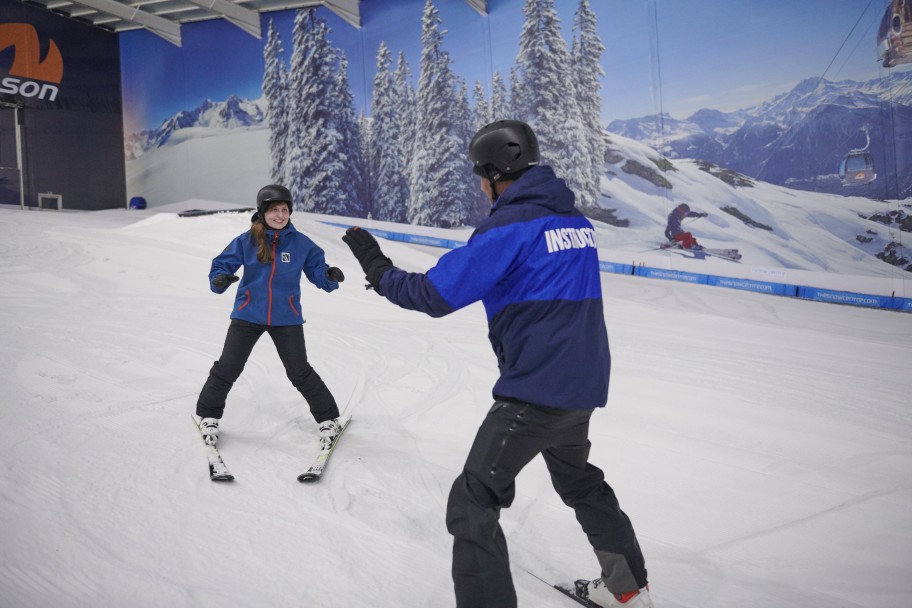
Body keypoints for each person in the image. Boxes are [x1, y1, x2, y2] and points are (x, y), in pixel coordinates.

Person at [342, 120, 653, 608]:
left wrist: (377, 268)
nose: (479, 186)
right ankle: (628, 590)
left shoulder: (509, 228)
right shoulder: (575, 224)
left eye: (479, 176)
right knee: (580, 482)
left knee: (473, 500)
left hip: (536, 392)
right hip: (581, 386)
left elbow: (434, 294)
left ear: (493, 173)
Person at [195, 184, 345, 451]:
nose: (279, 215)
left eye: (284, 210)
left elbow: (317, 269)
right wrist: (219, 280)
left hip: (286, 316)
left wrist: (329, 276)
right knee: (228, 368)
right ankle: (208, 416)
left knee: (299, 372)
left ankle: (329, 420)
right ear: (262, 211)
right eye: (274, 210)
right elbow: (221, 265)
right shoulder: (246, 241)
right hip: (248, 314)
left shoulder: (301, 244)